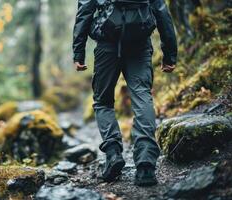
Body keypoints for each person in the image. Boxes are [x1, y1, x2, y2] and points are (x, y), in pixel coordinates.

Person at [72, 0, 177, 186]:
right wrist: (169, 53)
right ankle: (145, 165)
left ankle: (113, 154)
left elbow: (85, 12)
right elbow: (161, 12)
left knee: (102, 102)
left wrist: (78, 52)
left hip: (107, 45)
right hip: (140, 43)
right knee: (142, 97)